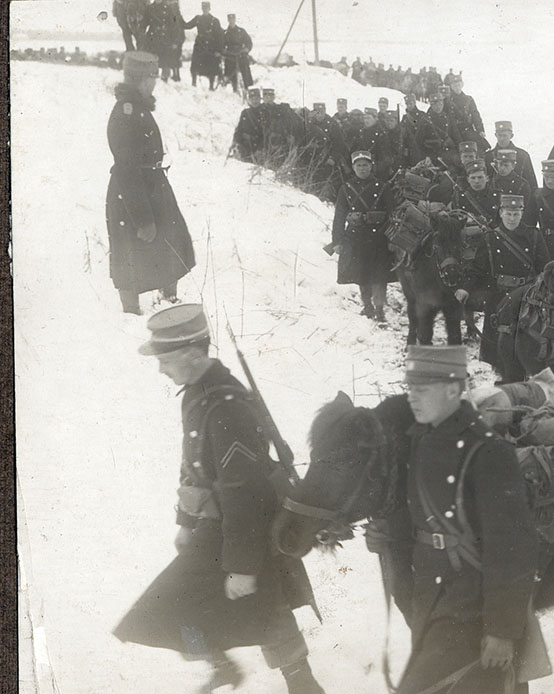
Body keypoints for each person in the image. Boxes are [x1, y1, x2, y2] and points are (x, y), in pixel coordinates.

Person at [114, 304, 324, 694]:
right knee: (174, 605)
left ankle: (304, 686)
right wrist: (186, 521)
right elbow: (192, 464)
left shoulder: (227, 406)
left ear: (193, 354)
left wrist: (242, 566)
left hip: (245, 527)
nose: (161, 370)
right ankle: (223, 666)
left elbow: (244, 492)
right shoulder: (198, 394)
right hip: (217, 523)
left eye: (165, 360)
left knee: (265, 607)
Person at [394, 346, 539, 694]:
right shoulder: (421, 438)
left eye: (422, 389)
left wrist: (502, 630)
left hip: (472, 605)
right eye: (410, 388)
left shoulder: (488, 451)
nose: (412, 397)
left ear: (452, 390)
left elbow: (513, 547)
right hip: (432, 596)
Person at [105, 52, 196, 315]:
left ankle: (168, 301)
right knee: (130, 252)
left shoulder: (138, 108)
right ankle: (130, 314)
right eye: (152, 78)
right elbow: (127, 169)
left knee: (170, 243)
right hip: (134, 191)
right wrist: (143, 218)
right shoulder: (126, 112)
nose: (154, 83)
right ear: (142, 79)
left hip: (152, 186)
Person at [455, 194, 548, 370]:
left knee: (525, 345)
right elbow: (478, 268)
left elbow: (543, 267)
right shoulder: (490, 238)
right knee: (498, 349)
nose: (512, 219)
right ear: (501, 213)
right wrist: (465, 288)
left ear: (522, 214)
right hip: (498, 297)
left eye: (516, 214)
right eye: (508, 214)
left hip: (525, 298)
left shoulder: (534, 236)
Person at [331, 151, 395, 322]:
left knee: (380, 275)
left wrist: (392, 238)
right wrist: (337, 240)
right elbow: (339, 216)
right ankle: (367, 306)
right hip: (356, 237)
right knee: (361, 274)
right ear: (353, 167)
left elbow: (393, 214)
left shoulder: (383, 187)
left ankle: (379, 309)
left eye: (365, 165)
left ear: (371, 166)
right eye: (358, 165)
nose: (362, 168)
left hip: (379, 237)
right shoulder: (346, 188)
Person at [483, 120, 537, 188]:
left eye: (505, 135)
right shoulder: (488, 157)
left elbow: (531, 182)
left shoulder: (522, 156)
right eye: (499, 135)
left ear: (511, 136)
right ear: (495, 135)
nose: (502, 139)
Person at [143, 0, 186, 82]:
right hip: (153, 38)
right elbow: (144, 23)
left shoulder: (168, 8)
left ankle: (165, 80)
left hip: (165, 38)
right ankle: (153, 78)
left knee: (165, 62)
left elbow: (174, 25)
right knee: (152, 60)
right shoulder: (150, 8)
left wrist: (175, 40)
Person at [184, 1, 223, 89]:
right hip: (200, 45)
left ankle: (211, 86)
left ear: (209, 9)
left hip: (211, 46)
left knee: (212, 66)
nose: (205, 10)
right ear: (202, 9)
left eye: (206, 8)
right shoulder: (198, 18)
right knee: (195, 64)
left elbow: (219, 37)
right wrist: (177, 17)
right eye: (203, 8)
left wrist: (218, 50)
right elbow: (187, 26)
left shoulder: (215, 21)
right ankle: (193, 83)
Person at [444, 73, 487, 149]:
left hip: (468, 130)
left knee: (481, 147)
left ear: (462, 85)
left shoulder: (468, 99)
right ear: (451, 86)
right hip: (453, 132)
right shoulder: (446, 101)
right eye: (454, 85)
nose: (457, 87)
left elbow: (475, 115)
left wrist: (480, 130)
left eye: (458, 84)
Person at [222, 13, 254, 93]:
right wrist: (223, 52)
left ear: (235, 20)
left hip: (241, 54)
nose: (231, 21)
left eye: (233, 19)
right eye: (230, 19)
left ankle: (248, 88)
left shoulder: (241, 31)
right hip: (230, 56)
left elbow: (249, 42)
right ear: (228, 20)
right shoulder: (225, 33)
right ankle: (233, 89)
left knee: (245, 71)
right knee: (229, 74)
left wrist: (246, 49)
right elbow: (221, 45)